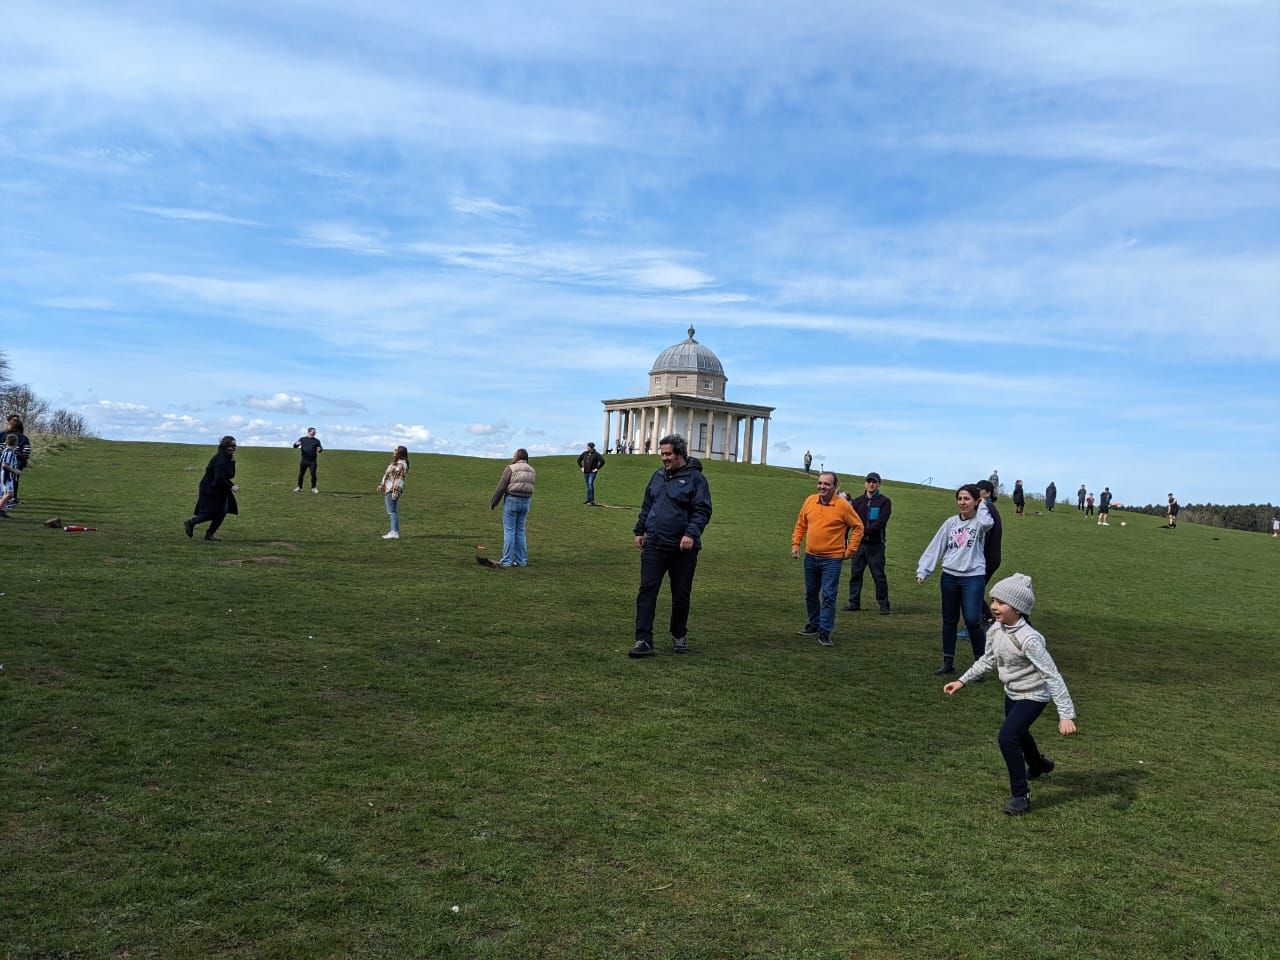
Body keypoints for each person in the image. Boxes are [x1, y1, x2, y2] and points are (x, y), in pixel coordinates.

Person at [943, 573, 1077, 815]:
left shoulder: (1030, 640)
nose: (994, 606)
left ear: (1019, 608)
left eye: (1001, 602)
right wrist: (962, 681)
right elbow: (989, 659)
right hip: (1012, 692)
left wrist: (1066, 715)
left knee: (1008, 738)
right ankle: (1038, 764)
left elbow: (1052, 676)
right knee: (1019, 733)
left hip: (1033, 696)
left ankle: (1020, 795)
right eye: (993, 600)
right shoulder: (996, 629)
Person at [629, 434, 712, 658]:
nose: (664, 458)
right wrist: (639, 531)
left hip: (682, 547)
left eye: (668, 454)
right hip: (655, 544)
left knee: (681, 594)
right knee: (647, 591)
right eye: (662, 454)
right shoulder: (657, 476)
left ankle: (678, 635)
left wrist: (690, 534)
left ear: (680, 454)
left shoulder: (696, 479)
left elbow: (702, 510)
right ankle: (643, 640)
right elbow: (647, 505)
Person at [916, 485, 994, 675]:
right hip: (949, 577)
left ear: (976, 501)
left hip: (972, 577)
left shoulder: (980, 522)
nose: (962, 502)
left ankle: (980, 666)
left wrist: (983, 504)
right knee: (949, 620)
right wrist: (923, 570)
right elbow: (937, 546)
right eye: (959, 498)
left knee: (972, 620)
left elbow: (987, 523)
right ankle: (948, 662)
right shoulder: (951, 523)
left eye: (967, 499)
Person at [791, 471, 864, 647]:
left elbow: (858, 526)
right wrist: (795, 544)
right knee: (810, 593)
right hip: (810, 556)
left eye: (827, 484)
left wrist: (850, 550)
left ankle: (825, 632)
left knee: (829, 595)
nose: (822, 486)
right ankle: (813, 625)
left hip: (832, 559)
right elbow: (801, 524)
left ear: (835, 487)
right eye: (820, 483)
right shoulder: (810, 500)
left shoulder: (843, 506)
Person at [843, 472, 891, 615]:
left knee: (878, 575)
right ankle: (853, 602)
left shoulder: (885, 502)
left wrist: (862, 531)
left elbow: (881, 522)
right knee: (855, 574)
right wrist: (845, 540)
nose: (871, 484)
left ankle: (884, 604)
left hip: (876, 545)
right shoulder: (858, 502)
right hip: (859, 545)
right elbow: (849, 522)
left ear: (878, 484)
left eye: (874, 482)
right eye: (869, 481)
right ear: (865, 483)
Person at [184, 436, 240, 541]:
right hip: (210, 489)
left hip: (220, 488)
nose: (233, 448)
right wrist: (232, 487)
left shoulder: (228, 458)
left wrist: (232, 461)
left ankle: (209, 534)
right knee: (209, 513)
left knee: (222, 512)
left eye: (234, 446)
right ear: (225, 446)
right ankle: (190, 522)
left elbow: (225, 476)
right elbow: (219, 478)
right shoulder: (221, 459)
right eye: (231, 446)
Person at [489, 448, 536, 566]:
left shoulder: (510, 468)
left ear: (517, 457)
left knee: (509, 531)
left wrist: (494, 502)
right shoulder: (532, 470)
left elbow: (501, 487)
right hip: (526, 501)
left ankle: (506, 561)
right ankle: (521, 560)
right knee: (520, 531)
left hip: (512, 500)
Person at [976, 479, 1003, 626]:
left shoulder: (986, 509)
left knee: (972, 591)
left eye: (978, 489)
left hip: (986, 559)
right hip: (991, 558)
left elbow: (984, 535)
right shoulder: (990, 509)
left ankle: (983, 621)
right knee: (974, 591)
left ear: (987, 493)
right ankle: (986, 619)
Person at [376, 446, 409, 540]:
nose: (393, 451)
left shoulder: (401, 465)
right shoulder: (397, 463)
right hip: (389, 489)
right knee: (391, 511)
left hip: (392, 490)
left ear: (400, 453)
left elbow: (399, 480)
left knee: (392, 512)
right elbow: (388, 475)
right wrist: (382, 485)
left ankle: (394, 532)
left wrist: (395, 492)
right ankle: (393, 531)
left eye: (395, 450)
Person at [2, 416, 31, 505]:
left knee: (4, 481)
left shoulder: (2, 435)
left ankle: (7, 499)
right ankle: (9, 499)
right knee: (13, 480)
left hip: (3, 461)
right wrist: (23, 460)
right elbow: (27, 451)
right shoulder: (23, 438)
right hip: (15, 463)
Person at [293, 427, 323, 493]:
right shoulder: (302, 439)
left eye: (315, 432)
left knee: (313, 475)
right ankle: (299, 487)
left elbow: (321, 449)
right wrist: (296, 444)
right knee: (301, 474)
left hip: (312, 461)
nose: (315, 433)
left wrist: (320, 449)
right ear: (309, 432)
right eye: (313, 432)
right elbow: (294, 446)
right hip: (304, 460)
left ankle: (313, 488)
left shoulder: (317, 441)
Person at [0, 434, 21, 517]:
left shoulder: (5, 450)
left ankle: (2, 511)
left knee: (4, 494)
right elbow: (5, 465)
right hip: (7, 475)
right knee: (10, 494)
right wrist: (14, 471)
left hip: (4, 474)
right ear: (16, 442)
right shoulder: (9, 452)